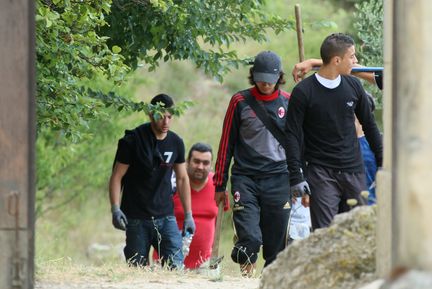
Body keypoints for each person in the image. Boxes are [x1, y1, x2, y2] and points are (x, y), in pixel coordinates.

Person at [214, 51, 302, 276]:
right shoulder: (239, 101)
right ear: (253, 75)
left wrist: (298, 179)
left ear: (279, 77)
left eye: (270, 79)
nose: (265, 83)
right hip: (246, 179)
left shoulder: (289, 102)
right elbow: (226, 143)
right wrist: (219, 184)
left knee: (276, 248)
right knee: (251, 240)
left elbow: (297, 145)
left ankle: (268, 280)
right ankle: (246, 271)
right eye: (260, 77)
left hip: (279, 179)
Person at [285, 33, 383, 230]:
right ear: (337, 60)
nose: (356, 62)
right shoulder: (303, 92)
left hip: (354, 171)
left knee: (360, 232)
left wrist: (383, 161)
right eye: (352, 56)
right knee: (326, 234)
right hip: (321, 174)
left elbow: (370, 126)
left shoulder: (354, 86)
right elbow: (292, 135)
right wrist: (296, 176)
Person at [108, 93, 195, 268]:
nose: (166, 122)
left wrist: (188, 215)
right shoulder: (132, 140)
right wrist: (115, 208)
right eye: (160, 116)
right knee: (137, 269)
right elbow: (117, 176)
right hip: (136, 217)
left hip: (166, 216)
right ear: (150, 114)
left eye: (169, 117)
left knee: (175, 267)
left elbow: (183, 178)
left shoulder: (176, 142)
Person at [154, 143, 230, 269]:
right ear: (187, 162)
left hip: (204, 265)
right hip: (167, 262)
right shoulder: (171, 183)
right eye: (196, 161)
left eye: (205, 163)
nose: (200, 167)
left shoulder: (219, 187)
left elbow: (219, 220)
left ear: (211, 165)